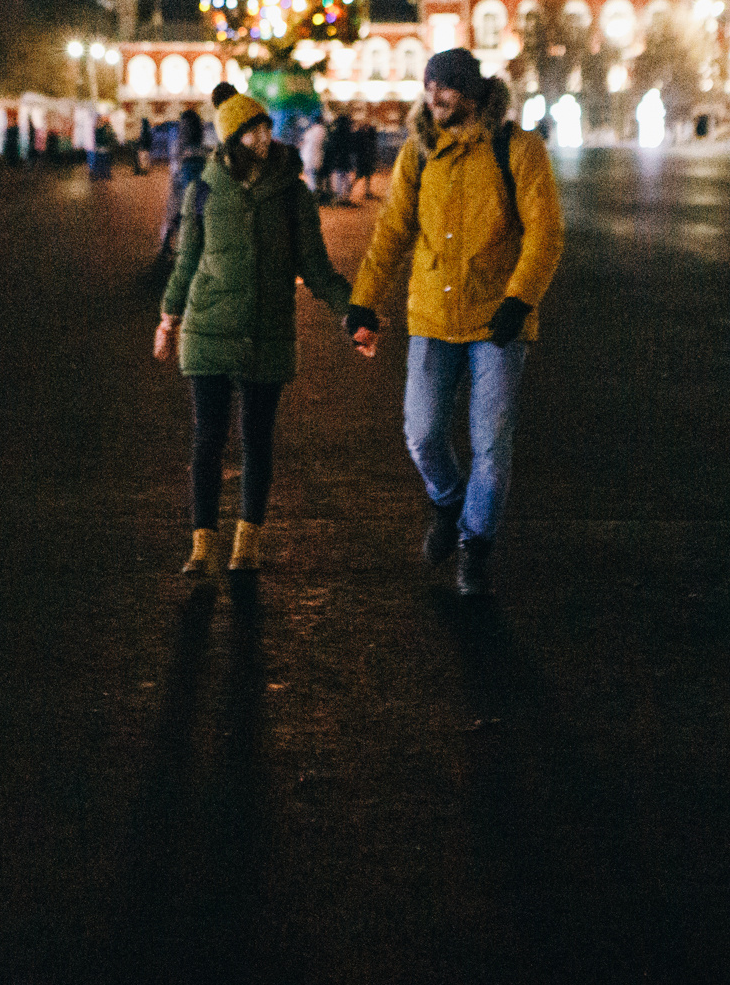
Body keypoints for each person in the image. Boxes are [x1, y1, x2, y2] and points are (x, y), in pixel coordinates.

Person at [343, 48, 564, 598]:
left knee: (491, 443)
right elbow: (393, 231)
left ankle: (474, 546)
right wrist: (363, 301)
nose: (433, 95)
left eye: (445, 86)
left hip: (497, 322)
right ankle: (448, 501)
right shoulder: (418, 153)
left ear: (473, 91)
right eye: (429, 85)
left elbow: (545, 232)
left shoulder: (518, 149)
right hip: (432, 316)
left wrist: (519, 299)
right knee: (421, 433)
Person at [156, 91, 358, 577]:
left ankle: (247, 542)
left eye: (266, 127)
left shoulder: (293, 193)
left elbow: (315, 267)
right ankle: (202, 545)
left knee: (257, 441)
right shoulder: (202, 190)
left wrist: (352, 310)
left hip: (267, 332)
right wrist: (168, 319)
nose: (265, 137)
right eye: (253, 131)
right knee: (207, 441)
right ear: (232, 138)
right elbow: (187, 261)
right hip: (208, 330)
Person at [155, 107, 210, 262]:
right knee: (198, 219)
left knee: (174, 215)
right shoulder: (203, 146)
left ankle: (166, 247)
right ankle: (196, 252)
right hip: (198, 189)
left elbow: (175, 167)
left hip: (180, 184)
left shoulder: (178, 144)